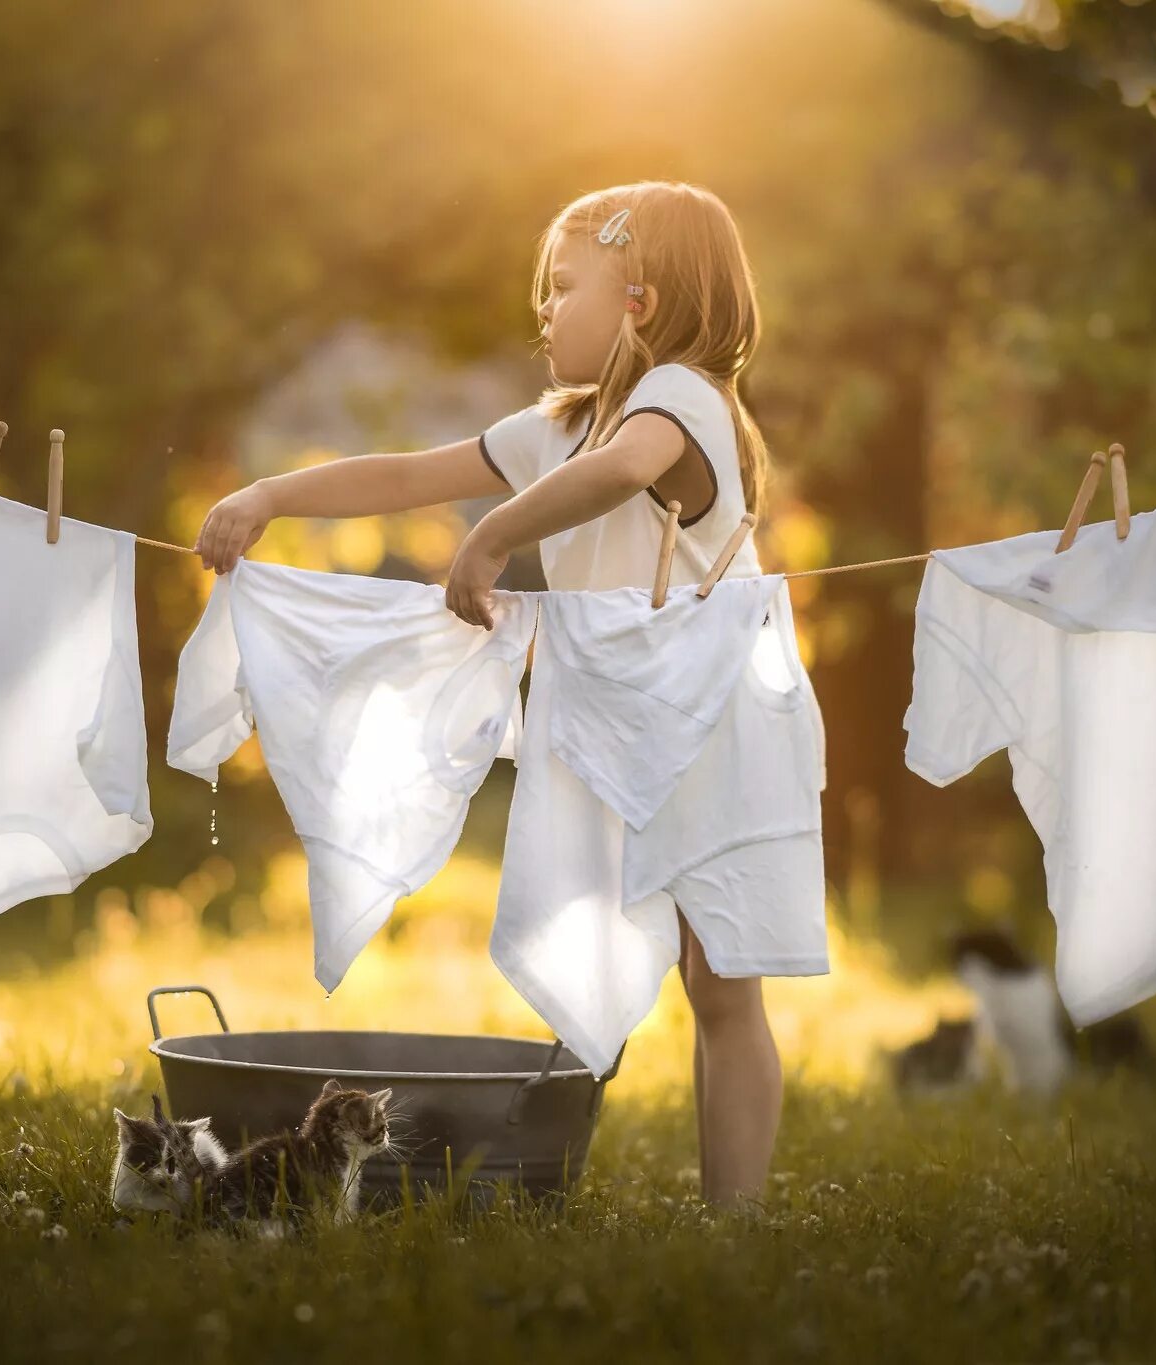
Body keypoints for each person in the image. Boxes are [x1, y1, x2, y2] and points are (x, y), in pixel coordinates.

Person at [194, 180, 784, 1205]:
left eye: (563, 287)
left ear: (637, 300)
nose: (543, 311)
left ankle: (734, 1223)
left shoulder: (679, 396)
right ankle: (719, 1210)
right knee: (695, 976)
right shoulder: (561, 430)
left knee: (722, 981)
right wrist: (272, 496)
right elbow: (405, 475)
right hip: (630, 724)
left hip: (715, 712)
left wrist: (494, 535)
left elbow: (627, 469)